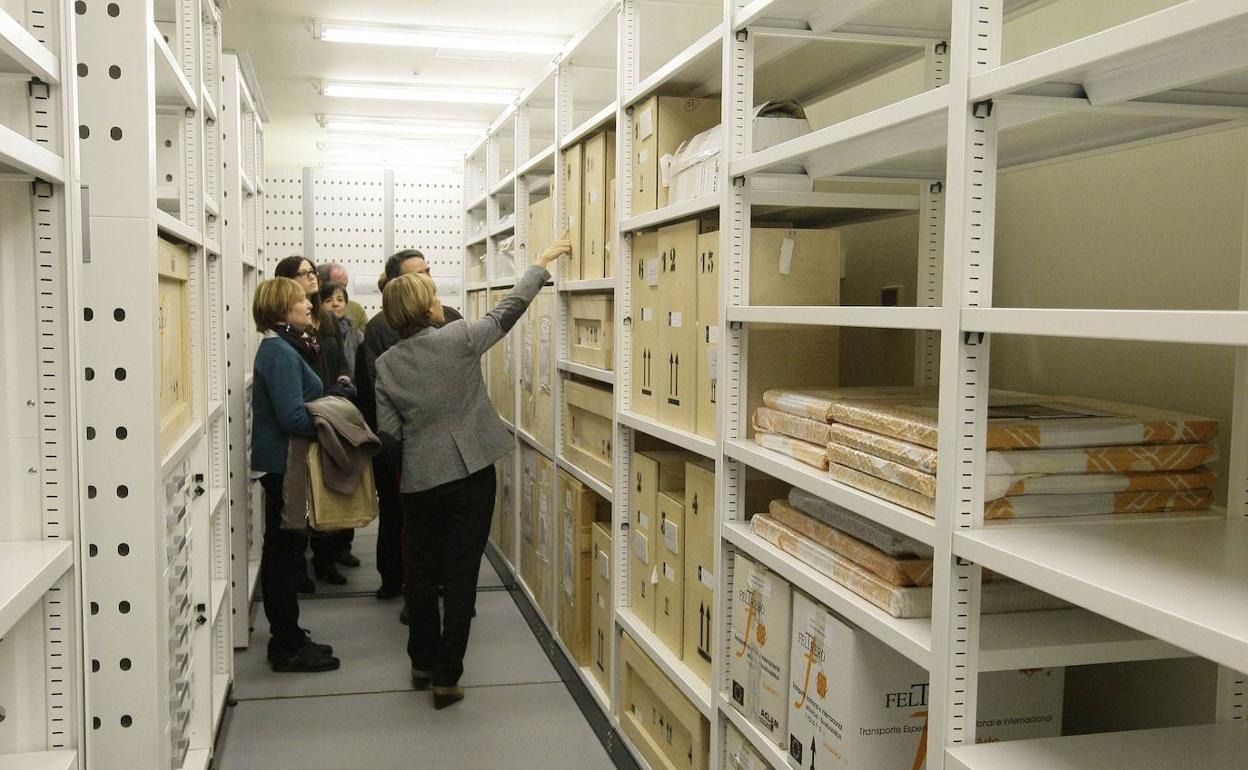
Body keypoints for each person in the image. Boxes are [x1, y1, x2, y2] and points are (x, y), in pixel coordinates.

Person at [375, 239, 569, 709]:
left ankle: (421, 662)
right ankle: (446, 676)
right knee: (461, 575)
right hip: (470, 472)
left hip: (420, 479)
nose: (440, 300)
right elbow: (508, 311)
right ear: (424, 306)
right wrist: (538, 265)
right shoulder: (458, 339)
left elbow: (389, 431)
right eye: (434, 294)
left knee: (421, 573)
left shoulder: (385, 365)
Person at [355, 250, 462, 603]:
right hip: (402, 443)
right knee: (399, 519)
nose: (427, 278)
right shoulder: (379, 328)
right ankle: (400, 583)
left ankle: (439, 585)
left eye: (428, 270)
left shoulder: (452, 318)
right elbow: (375, 388)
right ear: (397, 283)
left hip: (445, 443)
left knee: (440, 524)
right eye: (418, 273)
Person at [249, 277, 340, 673]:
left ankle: (288, 635)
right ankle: (286, 645)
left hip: (286, 463)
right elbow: (292, 415)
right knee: (284, 556)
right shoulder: (281, 353)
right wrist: (331, 418)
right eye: (300, 299)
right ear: (280, 308)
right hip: (286, 465)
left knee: (284, 552)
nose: (308, 304)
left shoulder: (284, 347)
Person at [273, 256, 358, 584]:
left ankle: (326, 559)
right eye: (303, 273)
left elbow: (340, 360)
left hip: (330, 406)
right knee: (301, 500)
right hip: (308, 414)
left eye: (312, 272)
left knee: (329, 488)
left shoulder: (325, 319)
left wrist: (345, 380)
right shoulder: (287, 331)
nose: (311, 278)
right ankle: (300, 568)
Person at [320, 280, 363, 379]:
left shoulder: (356, 333)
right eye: (328, 301)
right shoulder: (318, 332)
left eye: (340, 300)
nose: (335, 304)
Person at [317, 261, 369, 330]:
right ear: (321, 284)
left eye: (345, 285)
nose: (343, 290)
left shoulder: (356, 310)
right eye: (339, 285)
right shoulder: (310, 311)